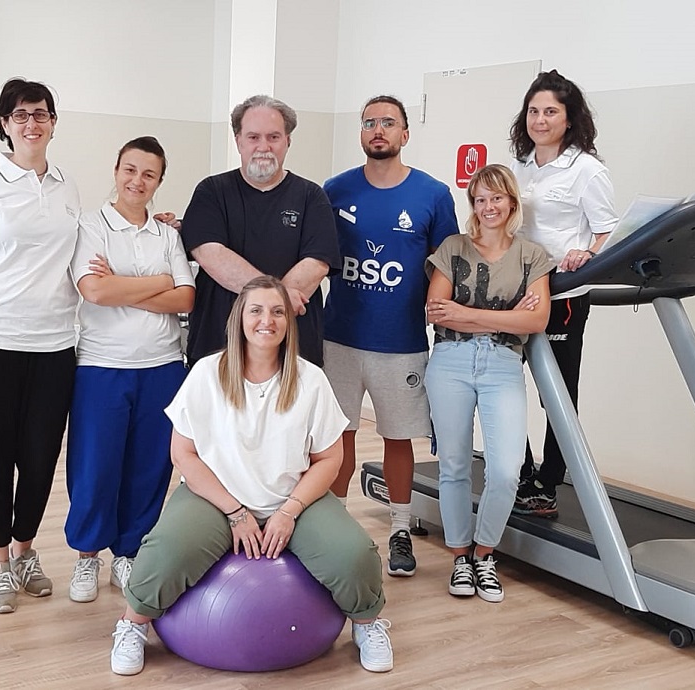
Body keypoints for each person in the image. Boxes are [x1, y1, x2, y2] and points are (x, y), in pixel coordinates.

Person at [108, 275, 393, 676]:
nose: (267, 320)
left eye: (277, 311)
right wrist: (235, 512)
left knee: (355, 554)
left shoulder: (310, 379)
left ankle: (367, 624)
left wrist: (290, 510)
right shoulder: (207, 373)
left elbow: (330, 459)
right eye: (256, 310)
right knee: (164, 552)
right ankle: (132, 625)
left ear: (289, 322)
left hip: (293, 497)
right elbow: (183, 454)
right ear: (239, 318)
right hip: (215, 497)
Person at [0, 78, 80, 613]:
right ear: (4, 123)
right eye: (20, 114)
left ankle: (26, 549)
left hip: (55, 345)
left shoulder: (69, 187)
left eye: (41, 113)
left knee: (42, 456)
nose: (32, 123)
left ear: (53, 121)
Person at [322, 95, 458, 577]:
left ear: (404, 134)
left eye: (388, 123)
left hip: (401, 342)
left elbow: (447, 264)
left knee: (399, 439)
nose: (378, 130)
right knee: (339, 434)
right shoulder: (334, 190)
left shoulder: (433, 194)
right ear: (361, 132)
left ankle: (400, 530)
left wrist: (442, 314)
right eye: (369, 123)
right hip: (337, 337)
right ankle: (334, 528)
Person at [64, 136, 195, 604]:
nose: (137, 181)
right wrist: (158, 281)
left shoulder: (168, 234)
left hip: (162, 366)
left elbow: (186, 297)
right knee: (95, 465)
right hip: (102, 365)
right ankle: (86, 555)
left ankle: (129, 552)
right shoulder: (90, 226)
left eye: (149, 174)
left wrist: (124, 284)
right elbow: (94, 292)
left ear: (159, 181)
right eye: (130, 170)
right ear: (116, 171)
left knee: (148, 466)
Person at [425, 164, 552, 602]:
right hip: (450, 362)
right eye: (480, 199)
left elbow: (537, 319)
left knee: (505, 470)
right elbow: (436, 310)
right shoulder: (453, 247)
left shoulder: (532, 255)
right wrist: (506, 315)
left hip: (502, 364)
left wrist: (469, 315)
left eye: (496, 198)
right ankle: (462, 558)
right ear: (473, 205)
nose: (488, 207)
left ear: (511, 202)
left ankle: (485, 554)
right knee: (455, 467)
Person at [508, 70, 619, 518]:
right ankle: (520, 470)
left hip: (563, 293)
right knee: (503, 383)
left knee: (555, 391)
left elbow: (608, 229)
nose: (540, 119)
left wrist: (585, 253)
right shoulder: (520, 165)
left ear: (569, 119)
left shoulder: (587, 170)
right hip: (515, 291)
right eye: (534, 111)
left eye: (550, 111)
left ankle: (549, 481)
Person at [181, 94, 339, 367]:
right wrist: (278, 299)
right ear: (238, 140)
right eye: (253, 137)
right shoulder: (211, 192)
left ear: (288, 141)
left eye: (274, 137)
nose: (263, 146)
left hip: (292, 349)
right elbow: (211, 254)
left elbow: (317, 263)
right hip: (218, 345)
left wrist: (267, 303)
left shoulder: (311, 196)